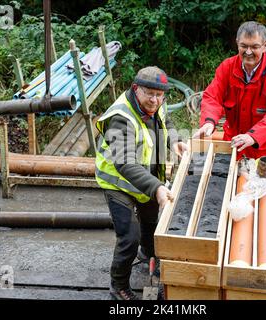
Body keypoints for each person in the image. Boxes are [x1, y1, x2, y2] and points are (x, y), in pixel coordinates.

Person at [95, 66, 188, 300]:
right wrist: (156, 187)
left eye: (159, 95)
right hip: (118, 184)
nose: (155, 100)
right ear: (136, 89)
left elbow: (166, 123)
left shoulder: (157, 104)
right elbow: (124, 164)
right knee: (129, 237)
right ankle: (118, 287)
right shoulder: (120, 118)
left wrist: (175, 141)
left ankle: (149, 255)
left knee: (151, 222)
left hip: (145, 178)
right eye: (149, 94)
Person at [193, 21, 266, 163]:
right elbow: (212, 97)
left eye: (254, 47)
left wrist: (253, 136)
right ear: (237, 43)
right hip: (234, 142)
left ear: (265, 45)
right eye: (244, 46)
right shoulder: (227, 66)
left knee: (265, 184)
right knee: (231, 181)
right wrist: (208, 122)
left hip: (265, 146)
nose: (248, 52)